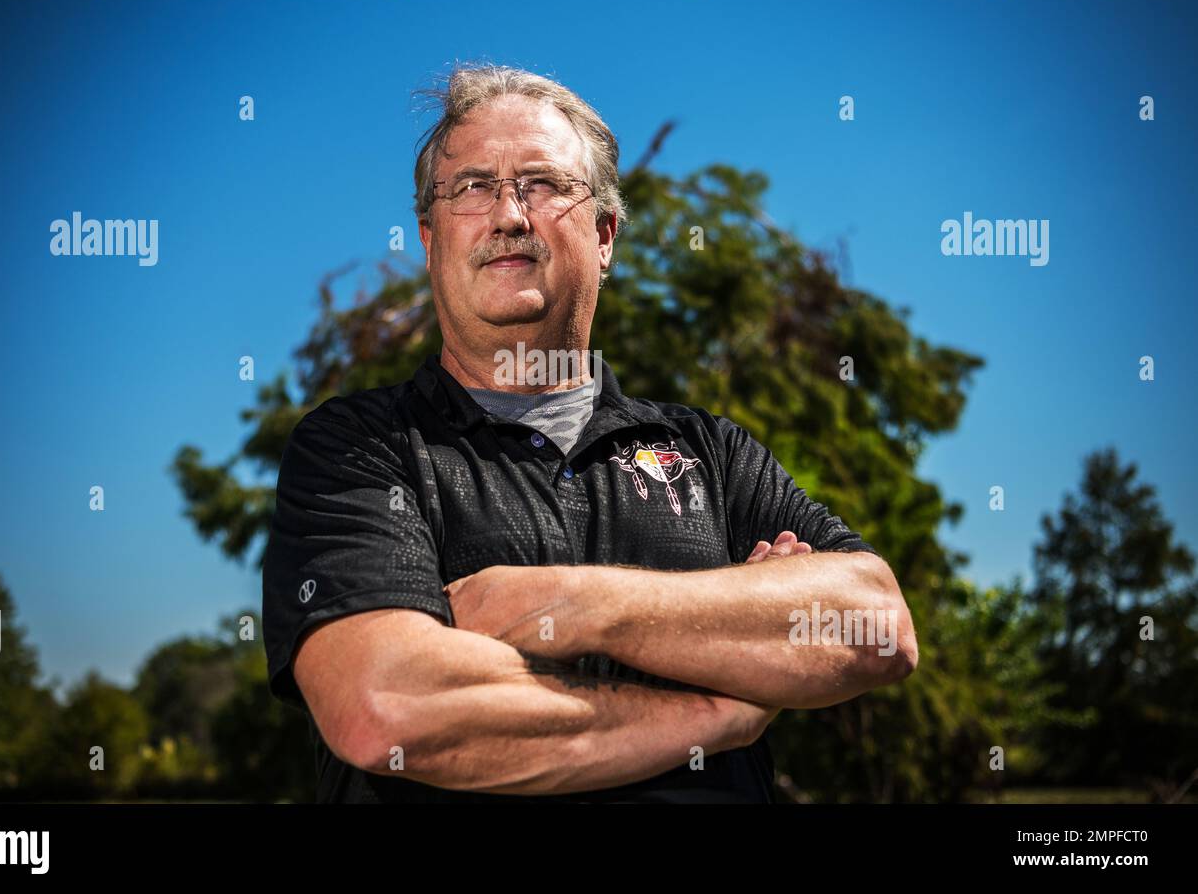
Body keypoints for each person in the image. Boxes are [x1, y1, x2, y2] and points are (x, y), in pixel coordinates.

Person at [262, 63, 917, 802]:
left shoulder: (710, 452)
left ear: (605, 233)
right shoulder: (358, 447)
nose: (509, 214)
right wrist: (717, 703)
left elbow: (876, 625)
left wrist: (564, 605)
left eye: (542, 183)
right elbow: (388, 709)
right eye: (473, 187)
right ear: (429, 234)